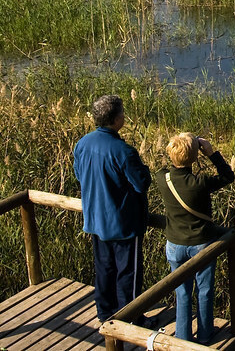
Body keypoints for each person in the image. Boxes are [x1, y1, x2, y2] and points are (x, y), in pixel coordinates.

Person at [72, 94, 152, 323]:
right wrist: (144, 169)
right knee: (128, 273)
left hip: (95, 219)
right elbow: (141, 183)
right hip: (123, 223)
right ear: (116, 119)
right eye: (123, 113)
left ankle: (105, 312)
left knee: (104, 270)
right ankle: (132, 318)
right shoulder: (123, 151)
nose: (124, 116)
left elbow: (79, 174)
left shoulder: (83, 143)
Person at [156, 132, 235, 344]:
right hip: (201, 245)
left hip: (174, 244)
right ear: (194, 157)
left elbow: (166, 167)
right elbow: (228, 176)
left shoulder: (162, 178)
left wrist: (182, 149)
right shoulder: (200, 182)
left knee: (182, 293)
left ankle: (182, 338)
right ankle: (205, 335)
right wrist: (211, 153)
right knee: (204, 291)